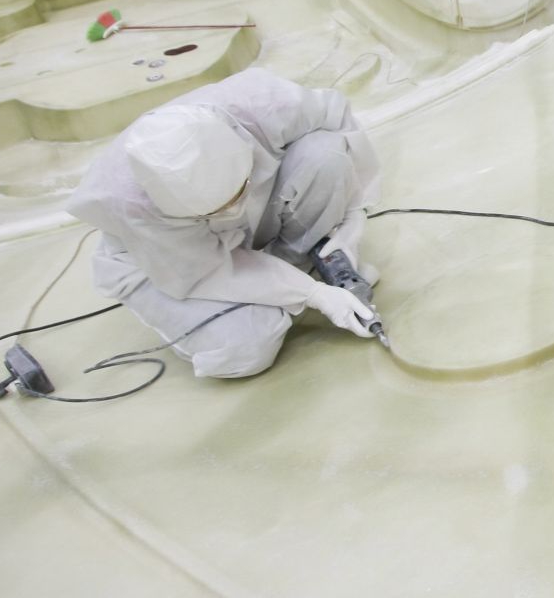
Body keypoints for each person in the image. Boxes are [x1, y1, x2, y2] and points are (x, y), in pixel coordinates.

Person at [67, 68, 382, 379]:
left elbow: (344, 129)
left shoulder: (266, 105)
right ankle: (287, 286)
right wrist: (312, 294)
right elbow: (207, 270)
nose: (231, 210)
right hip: (169, 264)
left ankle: (298, 268)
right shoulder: (129, 202)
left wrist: (353, 220)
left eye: (238, 193)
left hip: (257, 213)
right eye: (215, 210)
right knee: (247, 346)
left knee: (325, 153)